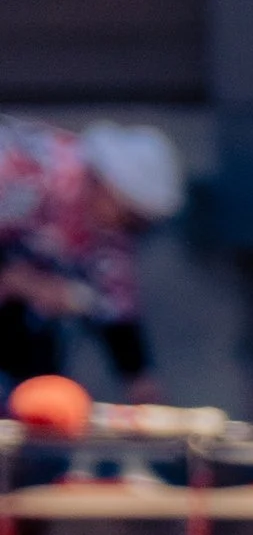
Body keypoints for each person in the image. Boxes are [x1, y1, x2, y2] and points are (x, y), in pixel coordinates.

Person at [0, 121, 185, 400]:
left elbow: (114, 303)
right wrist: (19, 281)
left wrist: (138, 377)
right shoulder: (21, 168)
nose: (127, 231)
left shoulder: (106, 229)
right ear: (105, 185)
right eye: (129, 218)